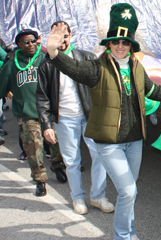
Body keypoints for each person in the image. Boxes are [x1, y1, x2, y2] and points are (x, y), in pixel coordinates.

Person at [45, 3, 161, 240]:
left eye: (125, 42)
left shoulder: (137, 67)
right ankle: (123, 236)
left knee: (128, 191)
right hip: (109, 143)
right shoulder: (97, 68)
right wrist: (54, 53)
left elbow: (154, 91)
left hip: (135, 141)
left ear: (131, 45)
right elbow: (74, 68)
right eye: (115, 42)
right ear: (108, 44)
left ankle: (129, 232)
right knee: (128, 191)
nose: (120, 46)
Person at [36, 21, 114, 215]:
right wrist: (46, 124)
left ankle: (97, 196)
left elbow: (101, 86)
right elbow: (42, 96)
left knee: (100, 156)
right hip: (65, 120)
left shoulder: (85, 57)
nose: (62, 40)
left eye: (65, 35)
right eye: (57, 35)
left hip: (89, 117)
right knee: (71, 161)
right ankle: (77, 198)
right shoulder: (46, 63)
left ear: (71, 36)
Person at [0, 28, 66, 197]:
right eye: (25, 42)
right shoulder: (11, 64)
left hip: (49, 110)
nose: (30, 44)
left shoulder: (46, 58)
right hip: (27, 113)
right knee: (34, 147)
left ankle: (58, 166)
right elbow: (1, 88)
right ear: (18, 45)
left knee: (56, 142)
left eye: (33, 41)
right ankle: (40, 180)